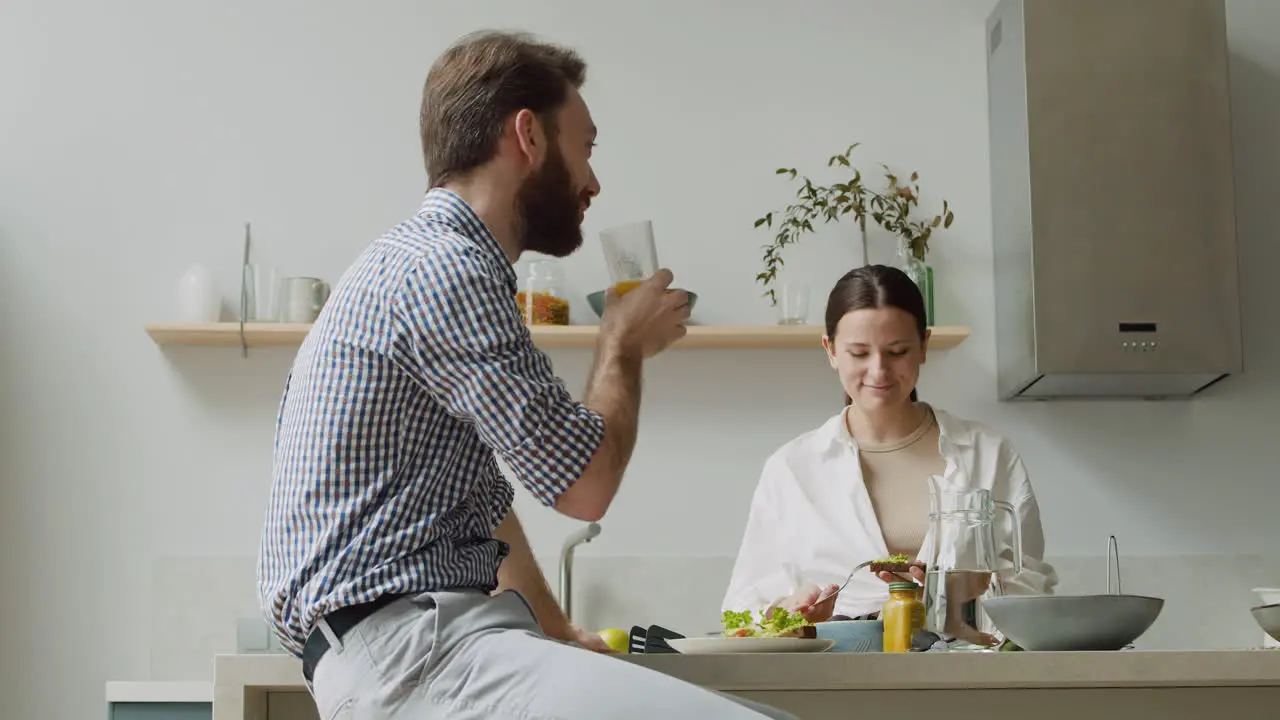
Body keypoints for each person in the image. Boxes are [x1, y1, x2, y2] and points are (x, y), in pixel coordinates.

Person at [256, 30, 796, 720]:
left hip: (405, 649)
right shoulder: (446, 269)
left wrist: (553, 627)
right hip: (415, 653)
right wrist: (621, 345)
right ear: (528, 137)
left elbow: (484, 501)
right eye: (587, 146)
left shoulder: (415, 263)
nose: (594, 182)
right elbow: (585, 485)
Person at [721, 264, 1058, 645]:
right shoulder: (792, 468)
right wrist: (790, 612)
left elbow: (1032, 589)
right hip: (831, 678)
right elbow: (744, 608)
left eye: (897, 351)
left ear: (924, 346)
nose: (878, 371)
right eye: (859, 353)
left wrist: (970, 589)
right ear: (830, 350)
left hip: (964, 673)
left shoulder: (988, 453)